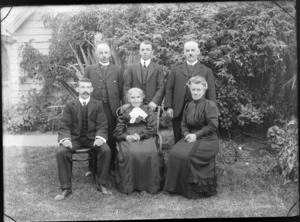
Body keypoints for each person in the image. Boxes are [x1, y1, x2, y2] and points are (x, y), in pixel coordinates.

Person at [55, 78, 112, 201]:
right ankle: (66, 188)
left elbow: (102, 124)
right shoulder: (70, 105)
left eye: (87, 88)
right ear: (77, 89)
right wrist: (65, 139)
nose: (85, 90)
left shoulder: (98, 104)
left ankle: (101, 183)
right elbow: (64, 125)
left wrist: (100, 138)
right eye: (82, 87)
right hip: (75, 139)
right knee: (61, 151)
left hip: (92, 139)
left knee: (106, 150)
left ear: (91, 90)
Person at [163, 76, 219, 199]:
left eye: (199, 90)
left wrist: (196, 135)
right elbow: (183, 124)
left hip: (208, 138)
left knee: (187, 156)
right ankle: (175, 187)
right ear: (190, 89)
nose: (195, 92)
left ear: (204, 90)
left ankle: (193, 189)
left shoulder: (210, 105)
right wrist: (187, 134)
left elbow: (213, 126)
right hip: (191, 135)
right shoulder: (188, 105)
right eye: (193, 89)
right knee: (174, 153)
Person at [164, 40, 216, 144]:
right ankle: (178, 151)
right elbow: (169, 88)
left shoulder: (206, 70)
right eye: (187, 50)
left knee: (196, 135)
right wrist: (169, 106)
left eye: (193, 50)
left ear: (198, 52)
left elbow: (211, 91)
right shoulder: (176, 70)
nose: (190, 53)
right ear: (184, 52)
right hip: (178, 107)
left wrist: (211, 107)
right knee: (178, 134)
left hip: (199, 109)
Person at [113, 88, 163, 194]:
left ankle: (147, 185)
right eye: (133, 97)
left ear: (142, 98)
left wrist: (140, 136)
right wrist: (127, 137)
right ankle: (129, 185)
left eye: (138, 97)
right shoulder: (125, 111)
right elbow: (118, 131)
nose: (135, 100)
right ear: (129, 99)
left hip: (145, 136)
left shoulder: (148, 110)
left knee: (148, 152)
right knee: (129, 152)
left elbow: (152, 128)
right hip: (129, 136)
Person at [84, 41, 123, 174]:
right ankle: (92, 167)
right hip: (95, 108)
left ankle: (111, 165)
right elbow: (85, 88)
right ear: (96, 54)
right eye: (101, 53)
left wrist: (122, 107)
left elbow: (121, 89)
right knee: (94, 135)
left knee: (111, 136)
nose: (104, 55)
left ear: (110, 54)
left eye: (106, 52)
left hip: (111, 108)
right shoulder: (90, 69)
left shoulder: (117, 70)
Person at [123, 40, 165, 111]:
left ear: (152, 52)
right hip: (134, 106)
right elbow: (126, 87)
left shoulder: (158, 68)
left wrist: (154, 101)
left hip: (152, 106)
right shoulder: (131, 68)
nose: (145, 52)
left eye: (148, 49)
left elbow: (161, 87)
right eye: (143, 50)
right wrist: (128, 102)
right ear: (139, 51)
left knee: (152, 122)